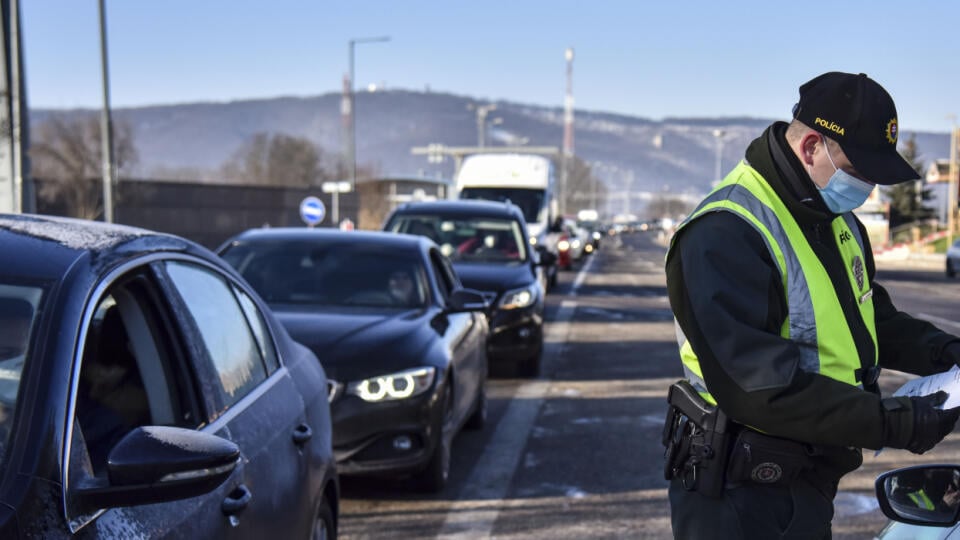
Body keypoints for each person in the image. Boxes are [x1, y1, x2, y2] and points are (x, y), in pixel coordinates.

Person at [664, 72, 960, 539]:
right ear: (811, 148)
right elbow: (759, 387)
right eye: (860, 171)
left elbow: (871, 321)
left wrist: (946, 353)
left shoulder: (833, 221)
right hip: (740, 495)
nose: (867, 189)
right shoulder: (724, 232)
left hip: (806, 480)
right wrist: (895, 424)